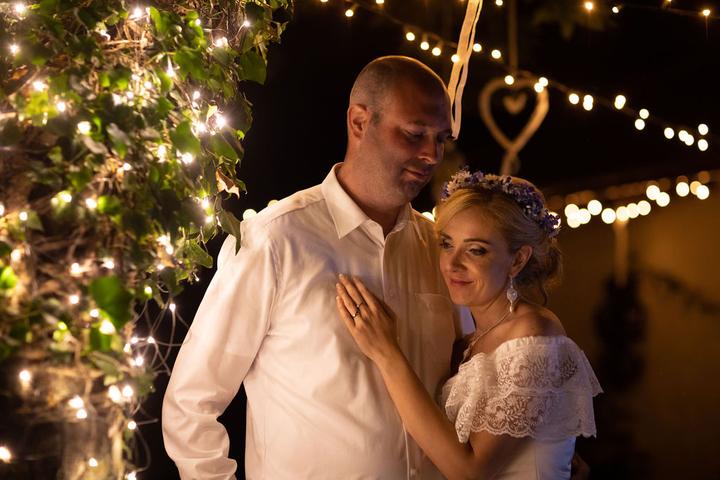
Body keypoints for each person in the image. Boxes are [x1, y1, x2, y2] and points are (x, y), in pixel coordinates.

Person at [162, 55, 458, 479]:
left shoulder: (442, 251)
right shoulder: (275, 239)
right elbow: (190, 404)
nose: (431, 155)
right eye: (414, 134)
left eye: (441, 139)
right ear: (359, 122)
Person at [336, 169, 602, 479]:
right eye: (447, 244)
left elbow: (469, 472)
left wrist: (386, 353)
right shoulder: (468, 342)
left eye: (476, 250)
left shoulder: (535, 333)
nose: (452, 263)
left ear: (518, 260)